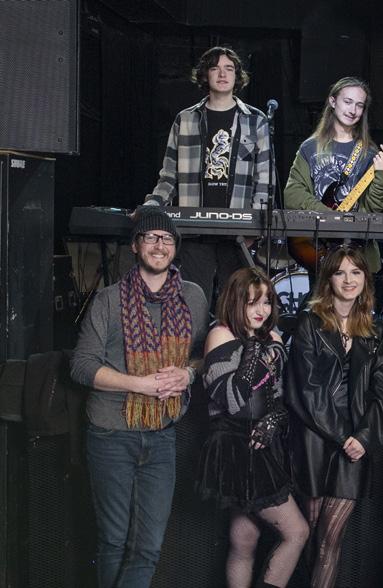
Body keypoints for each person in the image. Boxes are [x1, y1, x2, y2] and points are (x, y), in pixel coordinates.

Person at [70, 210, 209, 588]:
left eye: (167, 238)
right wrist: (140, 385)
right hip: (111, 433)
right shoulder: (108, 300)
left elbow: (204, 354)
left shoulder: (192, 297)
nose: (159, 245)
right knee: (114, 542)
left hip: (162, 433)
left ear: (175, 247)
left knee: (147, 547)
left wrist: (187, 374)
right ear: (135, 246)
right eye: (150, 237)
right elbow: (81, 366)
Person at [285, 246, 383, 588]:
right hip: (315, 439)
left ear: (365, 279)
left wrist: (364, 438)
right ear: (328, 280)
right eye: (340, 272)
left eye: (356, 272)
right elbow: (306, 390)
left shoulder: (376, 332)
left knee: (330, 539)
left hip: (354, 446)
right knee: (309, 536)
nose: (349, 280)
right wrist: (341, 436)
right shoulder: (310, 323)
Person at [196, 267, 308, 588]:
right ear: (236, 302)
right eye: (252, 303)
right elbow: (233, 400)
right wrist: (257, 348)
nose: (262, 311)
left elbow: (279, 399)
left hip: (261, 446)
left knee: (245, 537)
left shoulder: (272, 338)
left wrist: (273, 420)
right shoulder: (221, 334)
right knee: (297, 532)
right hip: (233, 445)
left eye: (267, 302)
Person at [141, 46, 271, 307]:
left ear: (237, 76)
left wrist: (256, 227)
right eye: (215, 68)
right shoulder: (185, 119)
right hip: (194, 231)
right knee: (192, 304)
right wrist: (152, 206)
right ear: (205, 75)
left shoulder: (255, 120)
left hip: (237, 232)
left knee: (234, 306)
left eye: (229, 69)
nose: (222, 74)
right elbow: (168, 176)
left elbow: (264, 180)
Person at [284, 76, 383, 273]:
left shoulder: (369, 153)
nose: (353, 110)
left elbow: (373, 207)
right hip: (318, 248)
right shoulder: (310, 148)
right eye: (348, 102)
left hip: (358, 253)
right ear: (333, 102)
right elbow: (292, 194)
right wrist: (329, 216)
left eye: (359, 105)